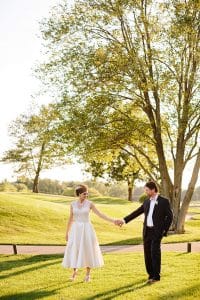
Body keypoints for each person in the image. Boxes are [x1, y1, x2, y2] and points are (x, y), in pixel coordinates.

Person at [115, 181, 173, 284]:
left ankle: (156, 277)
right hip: (147, 231)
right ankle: (150, 275)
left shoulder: (164, 201)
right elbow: (137, 212)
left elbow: (170, 216)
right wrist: (124, 220)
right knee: (147, 253)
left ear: (153, 189)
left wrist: (163, 230)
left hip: (156, 232)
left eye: (147, 190)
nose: (145, 192)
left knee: (155, 252)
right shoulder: (146, 201)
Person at [61, 184, 116, 282]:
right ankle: (74, 272)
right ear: (79, 194)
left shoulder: (90, 204)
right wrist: (67, 232)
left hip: (87, 229)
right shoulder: (73, 204)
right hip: (75, 230)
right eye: (84, 194)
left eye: (87, 194)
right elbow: (70, 218)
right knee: (75, 249)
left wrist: (113, 220)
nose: (86, 195)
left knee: (87, 249)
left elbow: (100, 215)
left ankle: (88, 274)